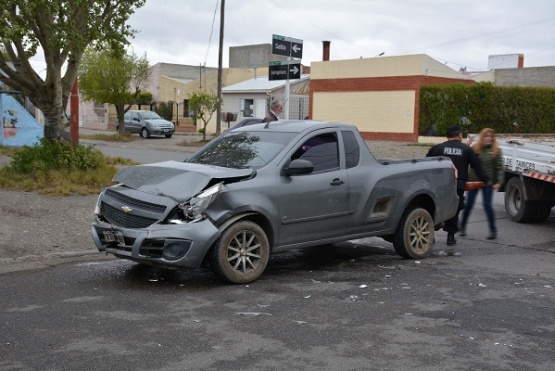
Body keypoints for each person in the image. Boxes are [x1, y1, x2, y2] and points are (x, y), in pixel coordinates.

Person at [426, 126, 490, 246]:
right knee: (454, 209)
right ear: (459, 135)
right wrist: (486, 179)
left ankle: (431, 235)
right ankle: (450, 238)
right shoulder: (466, 149)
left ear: (448, 136)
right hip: (458, 185)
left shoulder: (438, 148)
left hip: (440, 185)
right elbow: (478, 166)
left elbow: (426, 163)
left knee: (435, 208)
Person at [460, 128, 504, 240]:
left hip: (487, 182)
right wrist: (467, 145)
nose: (488, 138)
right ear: (482, 137)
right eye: (486, 136)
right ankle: (462, 227)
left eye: (490, 136)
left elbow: (499, 168)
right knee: (469, 205)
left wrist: (499, 181)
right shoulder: (475, 148)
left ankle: (493, 230)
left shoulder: (496, 150)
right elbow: (464, 155)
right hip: (474, 181)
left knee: (488, 206)